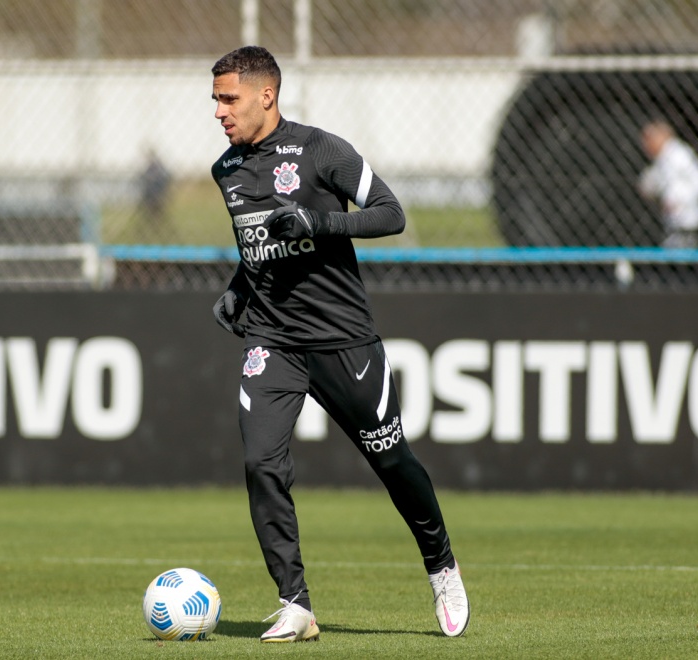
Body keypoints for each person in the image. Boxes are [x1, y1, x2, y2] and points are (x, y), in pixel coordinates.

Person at [208, 46, 469, 643]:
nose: (219, 112)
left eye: (229, 99)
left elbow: (391, 213)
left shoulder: (323, 150)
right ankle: (294, 603)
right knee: (260, 462)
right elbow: (259, 248)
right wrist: (238, 289)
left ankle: (441, 565)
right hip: (272, 340)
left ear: (265, 95)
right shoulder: (226, 170)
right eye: (216, 100)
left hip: (343, 341)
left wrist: (319, 222)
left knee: (392, 461)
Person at [638, 120, 698, 248]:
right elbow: (653, 183)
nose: (645, 146)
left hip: (688, 222)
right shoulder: (662, 158)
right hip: (673, 224)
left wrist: (678, 200)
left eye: (648, 140)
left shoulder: (679, 154)